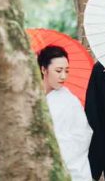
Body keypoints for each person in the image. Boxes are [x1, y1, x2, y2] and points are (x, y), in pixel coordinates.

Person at [38, 45, 93, 180]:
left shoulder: (69, 101)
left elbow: (83, 136)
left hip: (71, 170)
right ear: (43, 69)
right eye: (58, 71)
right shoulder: (33, 99)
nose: (63, 76)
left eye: (66, 71)